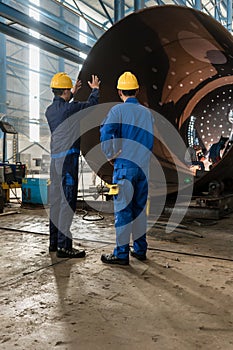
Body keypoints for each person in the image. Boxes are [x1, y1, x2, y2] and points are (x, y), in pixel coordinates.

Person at [100, 71, 154, 265]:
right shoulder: (147, 113)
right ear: (137, 91)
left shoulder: (117, 111)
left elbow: (106, 132)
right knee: (139, 210)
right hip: (143, 169)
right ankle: (140, 250)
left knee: (123, 209)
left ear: (119, 92)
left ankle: (121, 254)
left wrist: (110, 155)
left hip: (125, 167)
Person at [45, 72, 100, 258]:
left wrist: (72, 94)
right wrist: (95, 90)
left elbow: (65, 110)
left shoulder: (50, 110)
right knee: (67, 203)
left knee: (56, 203)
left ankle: (53, 243)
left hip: (55, 163)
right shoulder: (70, 109)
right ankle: (64, 247)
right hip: (68, 163)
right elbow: (91, 106)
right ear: (66, 91)